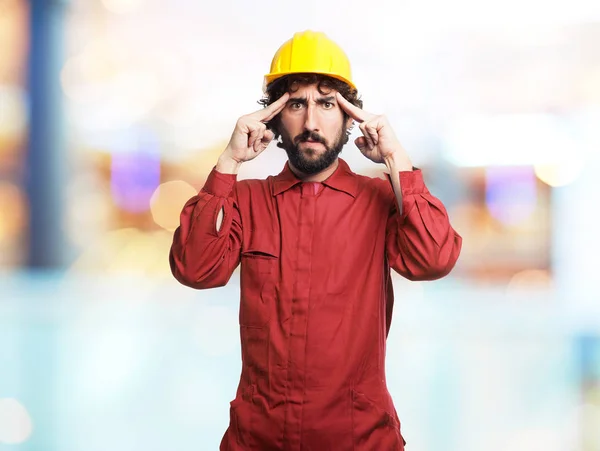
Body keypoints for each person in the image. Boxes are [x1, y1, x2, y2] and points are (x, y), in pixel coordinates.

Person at [169, 30, 462, 451]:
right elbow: (195, 269)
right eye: (295, 104)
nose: (310, 122)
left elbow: (434, 259)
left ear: (349, 118)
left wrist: (397, 159)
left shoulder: (381, 201)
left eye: (327, 104)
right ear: (273, 119)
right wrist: (227, 162)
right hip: (259, 440)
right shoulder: (247, 201)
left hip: (362, 441)